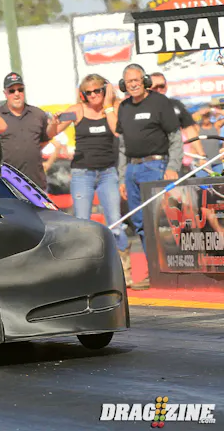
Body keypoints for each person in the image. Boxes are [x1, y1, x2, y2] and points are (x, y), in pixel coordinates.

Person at [52, 74, 132, 285]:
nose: (94, 95)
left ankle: (124, 271)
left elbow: (119, 130)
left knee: (115, 222)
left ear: (104, 90)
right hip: (82, 173)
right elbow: (51, 132)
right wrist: (53, 122)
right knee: (82, 223)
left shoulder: (113, 108)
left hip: (108, 173)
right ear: (83, 95)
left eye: (98, 90)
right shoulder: (77, 110)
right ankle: (85, 271)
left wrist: (110, 100)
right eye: (89, 92)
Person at [117, 64, 183, 290]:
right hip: (132, 170)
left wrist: (172, 166)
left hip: (156, 166)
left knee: (160, 222)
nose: (133, 84)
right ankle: (154, 271)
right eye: (129, 81)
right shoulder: (124, 107)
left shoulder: (159, 102)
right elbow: (122, 146)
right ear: (123, 85)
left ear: (144, 81)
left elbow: (175, 138)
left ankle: (172, 271)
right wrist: (122, 177)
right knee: (140, 224)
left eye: (136, 80)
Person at [0, 72, 58, 190]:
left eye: (20, 89)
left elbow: (45, 140)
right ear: (5, 93)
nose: (17, 94)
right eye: (12, 91)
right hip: (8, 186)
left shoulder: (38, 114)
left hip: (36, 185)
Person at [149, 72, 206, 171]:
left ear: (166, 86)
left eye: (161, 86)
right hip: (151, 161)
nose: (159, 89)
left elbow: (190, 130)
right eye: (155, 87)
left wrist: (201, 155)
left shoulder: (176, 105)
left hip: (176, 160)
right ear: (148, 88)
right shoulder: (142, 107)